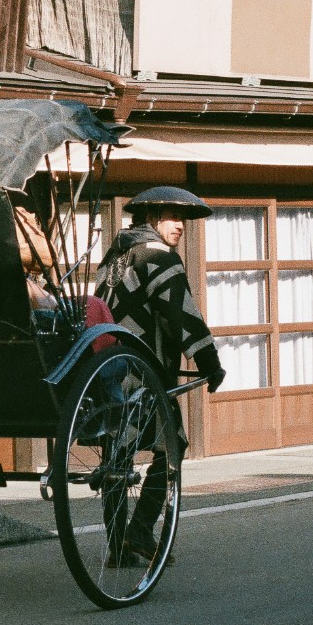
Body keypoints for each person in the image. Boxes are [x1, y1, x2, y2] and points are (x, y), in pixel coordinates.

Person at [95, 186, 226, 566]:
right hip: (142, 371)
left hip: (107, 367)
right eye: (171, 217)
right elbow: (182, 316)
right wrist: (209, 363)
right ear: (151, 218)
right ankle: (138, 531)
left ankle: (118, 544)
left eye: (182, 218)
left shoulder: (114, 256)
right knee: (174, 446)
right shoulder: (158, 257)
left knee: (117, 457)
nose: (180, 225)